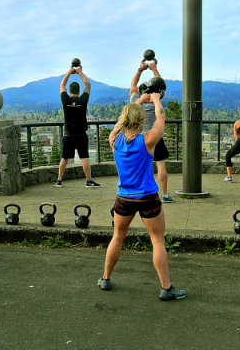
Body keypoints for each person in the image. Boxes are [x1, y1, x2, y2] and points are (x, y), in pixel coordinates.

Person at [98, 96, 186, 300]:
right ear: (139, 122)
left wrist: (137, 101)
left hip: (124, 198)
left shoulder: (115, 141)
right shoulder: (147, 141)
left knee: (118, 236)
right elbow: (161, 118)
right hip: (147, 197)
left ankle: (105, 278)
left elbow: (118, 125)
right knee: (157, 241)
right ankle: (166, 288)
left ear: (124, 119)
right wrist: (155, 100)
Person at [129, 59, 173, 203]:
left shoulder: (135, 101)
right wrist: (154, 68)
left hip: (139, 138)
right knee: (160, 165)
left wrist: (140, 69)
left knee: (139, 167)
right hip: (155, 137)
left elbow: (133, 84)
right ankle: (165, 195)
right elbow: (160, 84)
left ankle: (138, 192)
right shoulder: (156, 102)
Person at [53, 65, 101, 188]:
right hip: (81, 134)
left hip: (68, 134)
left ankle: (59, 180)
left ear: (70, 90)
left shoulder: (65, 100)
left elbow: (62, 85)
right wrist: (80, 72)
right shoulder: (83, 100)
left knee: (64, 158)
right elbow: (88, 85)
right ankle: (89, 181)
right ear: (79, 91)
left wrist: (69, 71)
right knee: (84, 157)